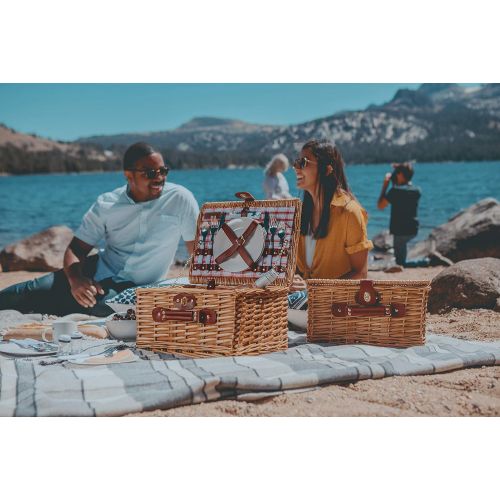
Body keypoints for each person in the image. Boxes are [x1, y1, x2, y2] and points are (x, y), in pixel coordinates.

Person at [0, 142, 199, 316]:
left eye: (163, 171)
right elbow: (76, 249)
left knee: (103, 306)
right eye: (150, 173)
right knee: (28, 290)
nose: (159, 178)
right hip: (97, 270)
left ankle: (52, 304)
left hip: (137, 287)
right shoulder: (107, 204)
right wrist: (77, 280)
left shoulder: (180, 199)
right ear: (128, 175)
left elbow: (197, 253)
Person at [290, 139, 373, 292]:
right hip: (303, 303)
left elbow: (360, 273)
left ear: (327, 169)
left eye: (303, 162)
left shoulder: (349, 212)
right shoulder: (300, 214)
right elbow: (297, 270)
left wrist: (311, 288)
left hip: (335, 306)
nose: (295, 167)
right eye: (296, 161)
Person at [377, 162, 433, 268]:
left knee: (400, 263)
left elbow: (380, 206)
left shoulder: (394, 192)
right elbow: (406, 188)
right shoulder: (417, 191)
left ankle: (425, 262)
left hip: (399, 231)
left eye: (397, 173)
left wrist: (385, 185)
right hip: (413, 229)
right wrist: (399, 169)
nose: (395, 174)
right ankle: (422, 261)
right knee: (402, 255)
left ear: (400, 175)